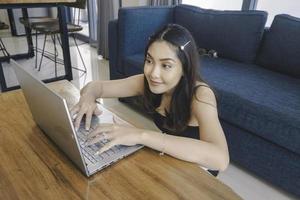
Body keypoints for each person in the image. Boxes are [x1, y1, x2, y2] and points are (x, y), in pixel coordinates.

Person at [71, 24, 229, 176]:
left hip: (198, 169)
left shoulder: (200, 96)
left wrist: (141, 135)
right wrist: (88, 97)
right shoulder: (147, 82)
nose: (153, 73)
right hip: (169, 157)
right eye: (149, 61)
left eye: (166, 65)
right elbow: (97, 86)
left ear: (184, 68)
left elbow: (220, 159)